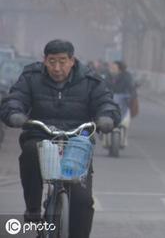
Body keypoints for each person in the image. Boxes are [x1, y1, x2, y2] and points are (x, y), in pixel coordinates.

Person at [0, 39, 120, 238]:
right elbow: (16, 98)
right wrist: (14, 113)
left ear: (72, 61)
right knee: (30, 151)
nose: (57, 67)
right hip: (41, 135)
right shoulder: (31, 77)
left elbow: (106, 103)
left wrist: (106, 118)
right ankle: (32, 211)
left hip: (77, 141)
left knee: (82, 201)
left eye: (62, 61)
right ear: (44, 60)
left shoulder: (91, 80)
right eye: (52, 61)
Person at [103, 60, 137, 148]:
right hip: (110, 101)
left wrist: (132, 96)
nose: (112, 68)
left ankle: (124, 138)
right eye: (111, 67)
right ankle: (104, 136)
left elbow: (131, 88)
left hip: (123, 102)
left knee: (125, 120)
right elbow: (102, 86)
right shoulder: (108, 76)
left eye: (114, 67)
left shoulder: (127, 77)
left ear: (120, 69)